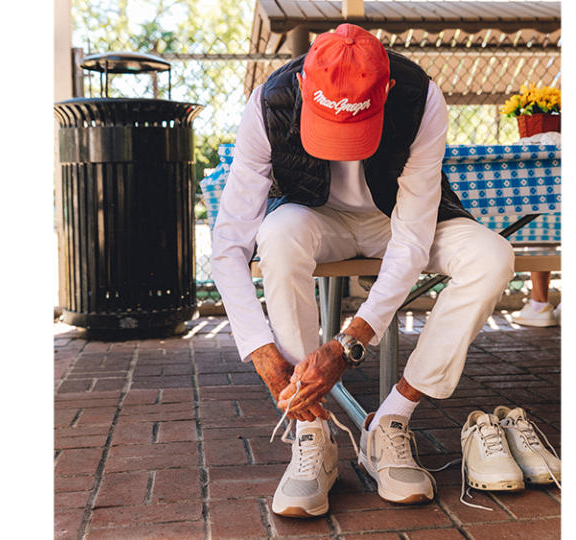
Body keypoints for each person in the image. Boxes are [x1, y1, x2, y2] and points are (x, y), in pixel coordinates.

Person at [211, 24, 516, 517]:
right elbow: (228, 243)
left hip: (397, 219)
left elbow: (412, 239)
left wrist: (349, 342)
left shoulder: (419, 96)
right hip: (315, 216)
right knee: (279, 235)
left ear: (387, 90)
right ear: (306, 85)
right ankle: (312, 433)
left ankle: (390, 421)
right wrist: (260, 349)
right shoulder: (268, 104)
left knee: (492, 256)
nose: (341, 149)